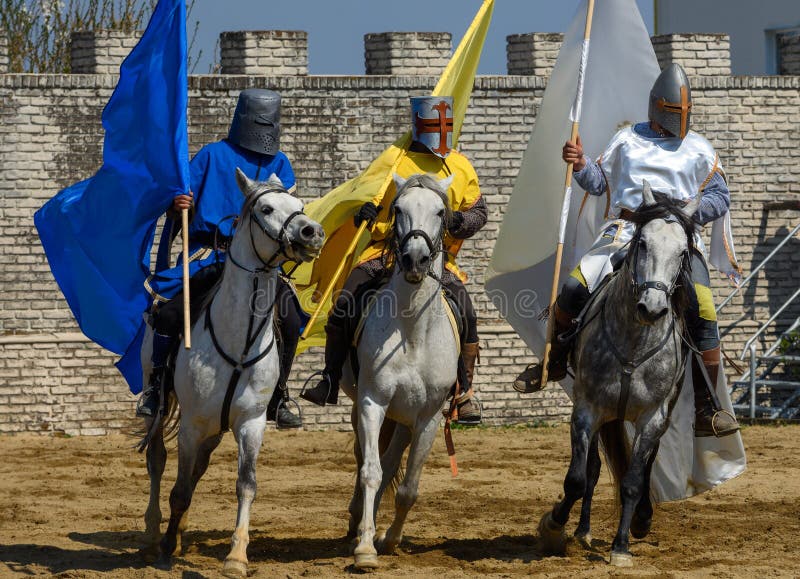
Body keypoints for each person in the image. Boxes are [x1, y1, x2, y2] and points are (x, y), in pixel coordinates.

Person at [513, 63, 740, 438]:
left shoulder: (700, 149)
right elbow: (599, 183)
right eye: (672, 112)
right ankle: (552, 361)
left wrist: (687, 212)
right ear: (655, 107)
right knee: (573, 288)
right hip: (627, 231)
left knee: (703, 306)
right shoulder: (627, 140)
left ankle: (707, 406)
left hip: (678, 238)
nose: (678, 121)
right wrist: (582, 163)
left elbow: (720, 196)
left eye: (684, 114)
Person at [300, 96, 487, 424]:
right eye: (432, 125)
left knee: (466, 312)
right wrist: (365, 211)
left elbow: (479, 211)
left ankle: (463, 392)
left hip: (436, 262)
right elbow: (366, 193)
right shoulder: (394, 159)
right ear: (418, 125)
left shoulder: (460, 166)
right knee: (344, 302)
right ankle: (330, 378)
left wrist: (459, 222)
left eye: (443, 125)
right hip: (384, 254)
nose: (438, 131)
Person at [136, 89, 305, 429]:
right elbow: (180, 199)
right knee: (170, 311)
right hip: (209, 254)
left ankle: (279, 395)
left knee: (289, 316)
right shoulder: (213, 155)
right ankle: (157, 387)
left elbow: (284, 212)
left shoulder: (280, 164)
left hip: (260, 264)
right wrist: (178, 204)